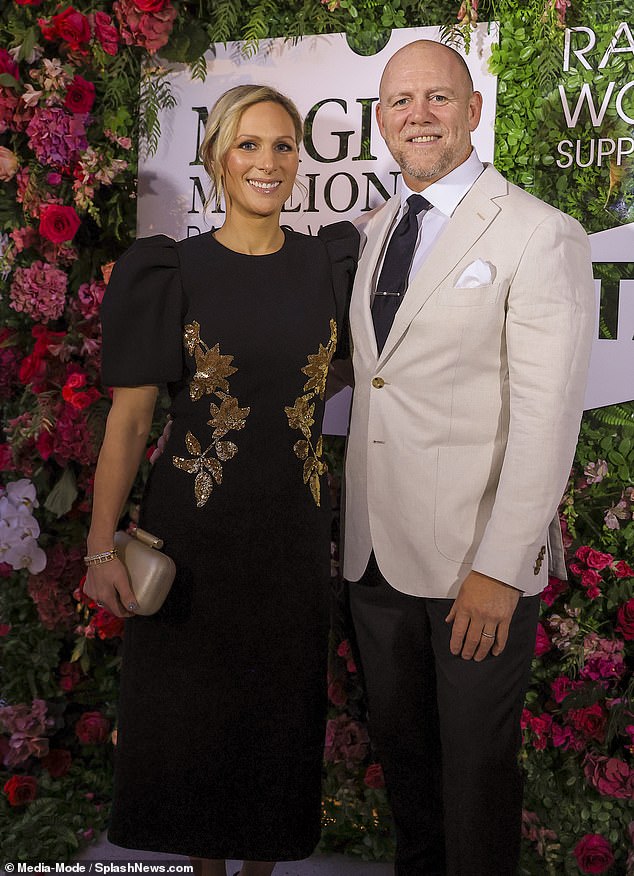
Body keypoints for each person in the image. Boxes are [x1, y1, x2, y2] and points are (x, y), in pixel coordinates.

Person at [84, 85, 357, 876]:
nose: (267, 163)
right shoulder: (170, 271)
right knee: (199, 733)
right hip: (196, 541)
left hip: (292, 538)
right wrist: (102, 547)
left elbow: (341, 378)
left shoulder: (329, 263)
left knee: (277, 728)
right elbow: (131, 424)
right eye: (248, 145)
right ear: (216, 159)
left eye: (282, 146)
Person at [342, 40, 596, 875]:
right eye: (399, 101)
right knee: (409, 779)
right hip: (374, 556)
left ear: (474, 111)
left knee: (477, 784)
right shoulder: (379, 229)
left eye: (437, 98)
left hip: (471, 570)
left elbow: (547, 416)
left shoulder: (538, 233)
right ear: (381, 120)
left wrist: (500, 563)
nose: (418, 114)